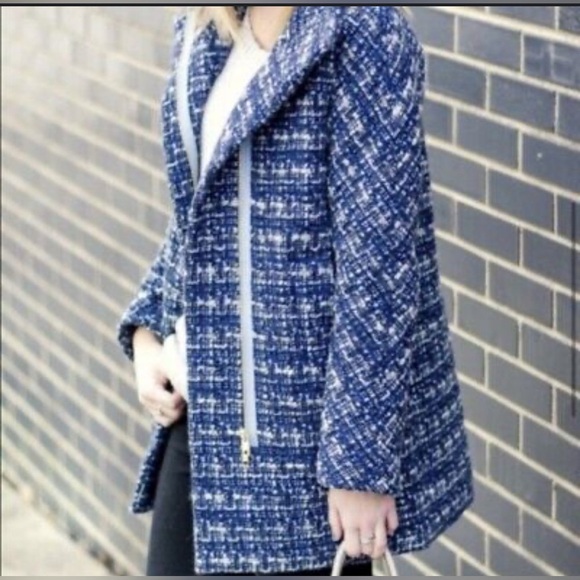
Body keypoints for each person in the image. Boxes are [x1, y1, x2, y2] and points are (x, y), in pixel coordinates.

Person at [116, 5, 475, 576]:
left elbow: (380, 269)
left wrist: (359, 466)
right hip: (202, 418)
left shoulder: (364, 31)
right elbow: (199, 214)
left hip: (304, 457)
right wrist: (146, 333)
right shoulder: (207, 23)